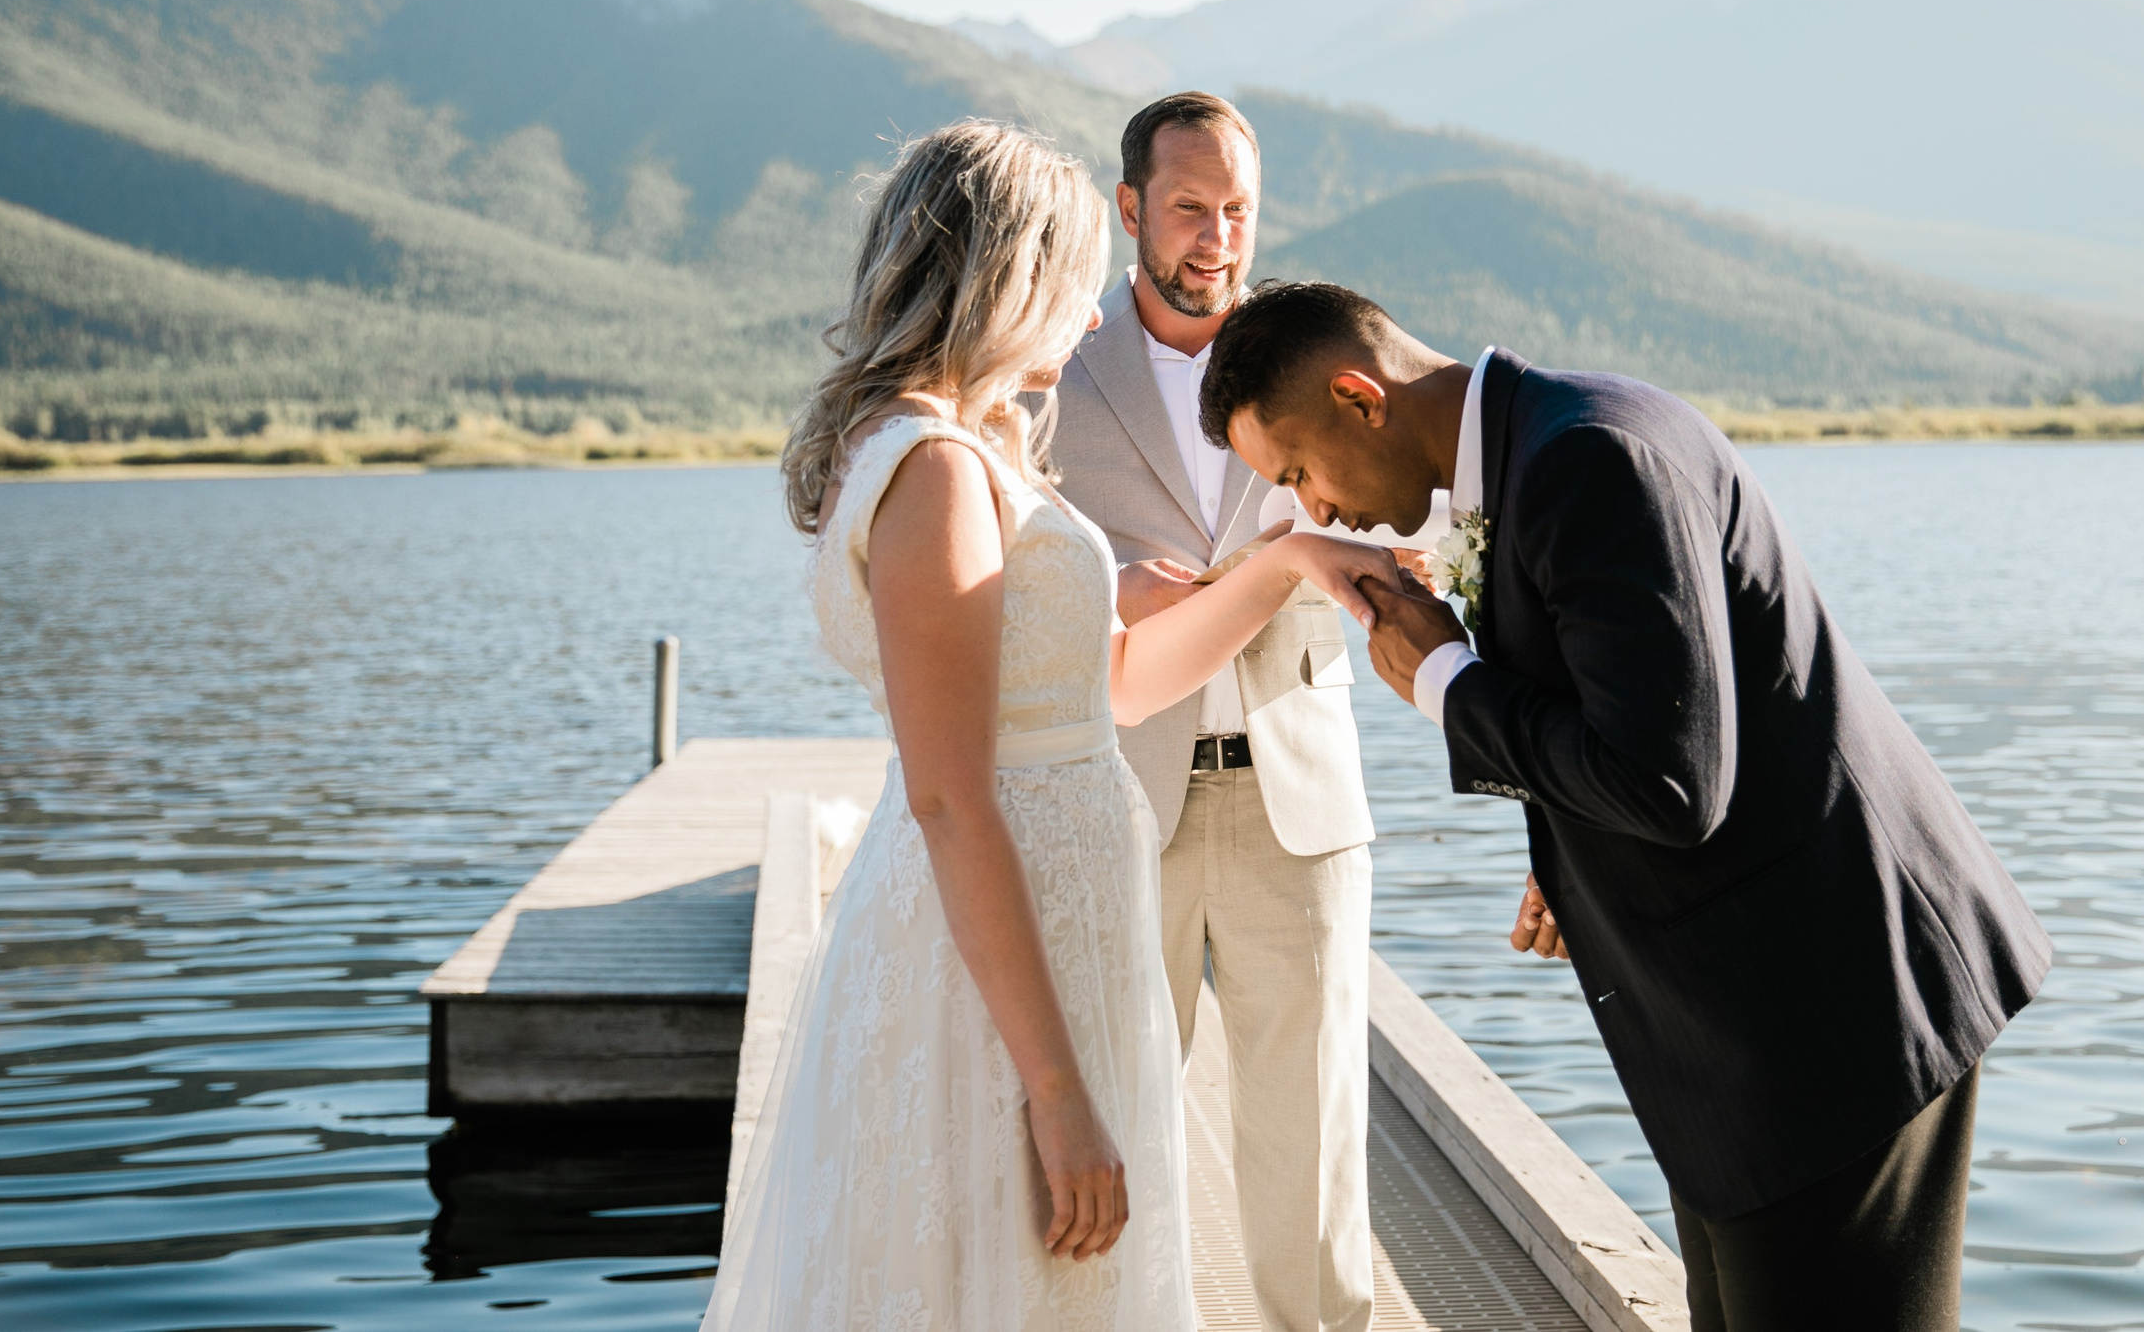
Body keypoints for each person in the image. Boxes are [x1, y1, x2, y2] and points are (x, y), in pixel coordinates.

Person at [1196, 281, 2055, 1332]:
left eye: (1296, 472)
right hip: (1746, 1035)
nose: (1313, 512)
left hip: (1829, 1017)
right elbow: (1638, 717)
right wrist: (1569, 856)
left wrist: (1446, 682)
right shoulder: (1545, 445)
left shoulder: (1588, 458)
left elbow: (1668, 781)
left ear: (1357, 396)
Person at [702, 124, 1400, 1332]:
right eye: (1073, 280)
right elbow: (951, 798)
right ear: (1005, 274)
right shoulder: (934, 472)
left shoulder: (963, 451)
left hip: (1059, 937)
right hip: (994, 979)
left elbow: (1117, 685)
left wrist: (1284, 563)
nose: (1089, 319)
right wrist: (1056, 1091)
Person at [1048, 93, 1379, 1332]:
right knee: (1115, 1123)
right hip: (1121, 795)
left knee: (1312, 1141)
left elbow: (1409, 517)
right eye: (1189, 207)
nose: (1216, 235)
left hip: (1299, 797)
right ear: (1127, 208)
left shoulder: (1322, 360)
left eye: (1237, 209)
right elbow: (1008, 560)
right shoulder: (1055, 374)